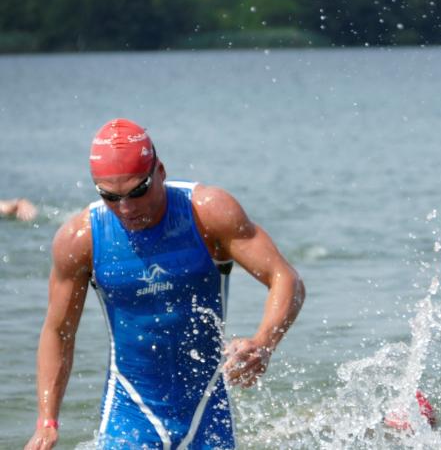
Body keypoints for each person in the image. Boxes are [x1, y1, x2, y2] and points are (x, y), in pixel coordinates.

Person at [26, 119, 305, 449]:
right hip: (129, 412)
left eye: (137, 191)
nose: (126, 208)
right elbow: (59, 331)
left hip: (207, 409)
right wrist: (47, 422)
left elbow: (285, 279)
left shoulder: (207, 212)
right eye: (110, 197)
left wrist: (263, 343)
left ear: (160, 171)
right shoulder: (79, 239)